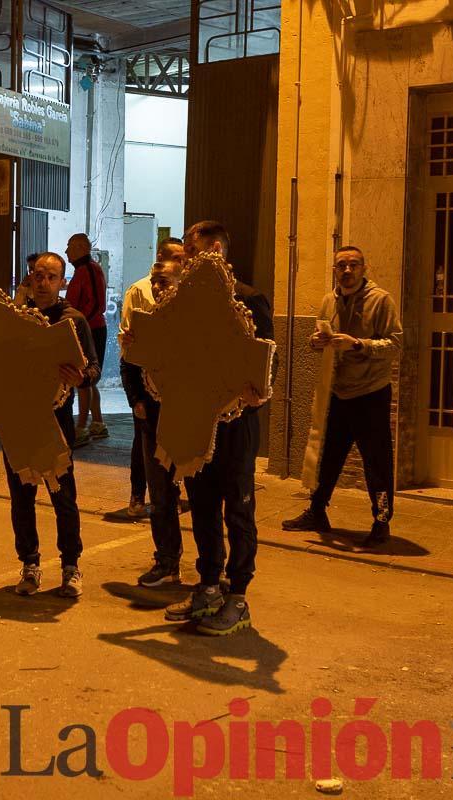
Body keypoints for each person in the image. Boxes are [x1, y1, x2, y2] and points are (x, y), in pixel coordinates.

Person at [162, 221, 273, 636]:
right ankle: (209, 586)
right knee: (203, 506)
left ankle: (238, 597)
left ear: (215, 251)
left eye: (191, 251)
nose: (185, 259)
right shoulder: (182, 303)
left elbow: (268, 359)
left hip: (236, 426)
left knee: (238, 511)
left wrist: (256, 389)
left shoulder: (248, 298)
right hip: (196, 420)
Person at [281, 245, 403, 547]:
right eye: (341, 265)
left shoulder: (381, 300)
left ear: (364, 268)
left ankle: (381, 521)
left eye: (353, 265)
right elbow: (321, 341)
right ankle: (317, 511)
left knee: (376, 462)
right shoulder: (329, 301)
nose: (347, 270)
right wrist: (316, 342)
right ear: (334, 270)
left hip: (370, 393)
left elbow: (396, 344)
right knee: (328, 456)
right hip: (336, 392)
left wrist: (358, 344)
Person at [5, 252, 100, 597]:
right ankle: (29, 565)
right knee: (21, 497)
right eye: (37, 275)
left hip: (57, 423)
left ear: (62, 283)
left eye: (51, 277)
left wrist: (80, 378)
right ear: (29, 279)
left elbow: (94, 369)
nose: (43, 282)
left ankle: (70, 566)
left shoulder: (73, 321)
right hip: (18, 421)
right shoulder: (16, 318)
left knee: (63, 496)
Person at [121, 258, 186, 587]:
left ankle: (212, 571)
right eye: (155, 282)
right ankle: (167, 560)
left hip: (189, 421)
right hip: (153, 420)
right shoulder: (143, 321)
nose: (158, 288)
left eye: (165, 282)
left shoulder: (194, 322)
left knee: (202, 498)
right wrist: (137, 401)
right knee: (160, 495)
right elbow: (128, 364)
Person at [111, 237, 185, 521]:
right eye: (178, 258)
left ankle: (171, 496)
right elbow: (128, 352)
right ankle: (139, 495)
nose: (157, 288)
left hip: (177, 399)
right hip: (147, 394)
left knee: (176, 451)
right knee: (144, 447)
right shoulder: (139, 291)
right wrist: (135, 398)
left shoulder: (188, 305)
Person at [64, 233, 108, 446]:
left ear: (81, 248)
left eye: (69, 246)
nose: (66, 251)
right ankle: (97, 423)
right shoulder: (83, 270)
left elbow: (98, 304)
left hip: (90, 330)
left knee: (83, 378)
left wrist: (78, 326)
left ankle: (80, 428)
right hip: (86, 328)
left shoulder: (90, 269)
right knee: (87, 380)